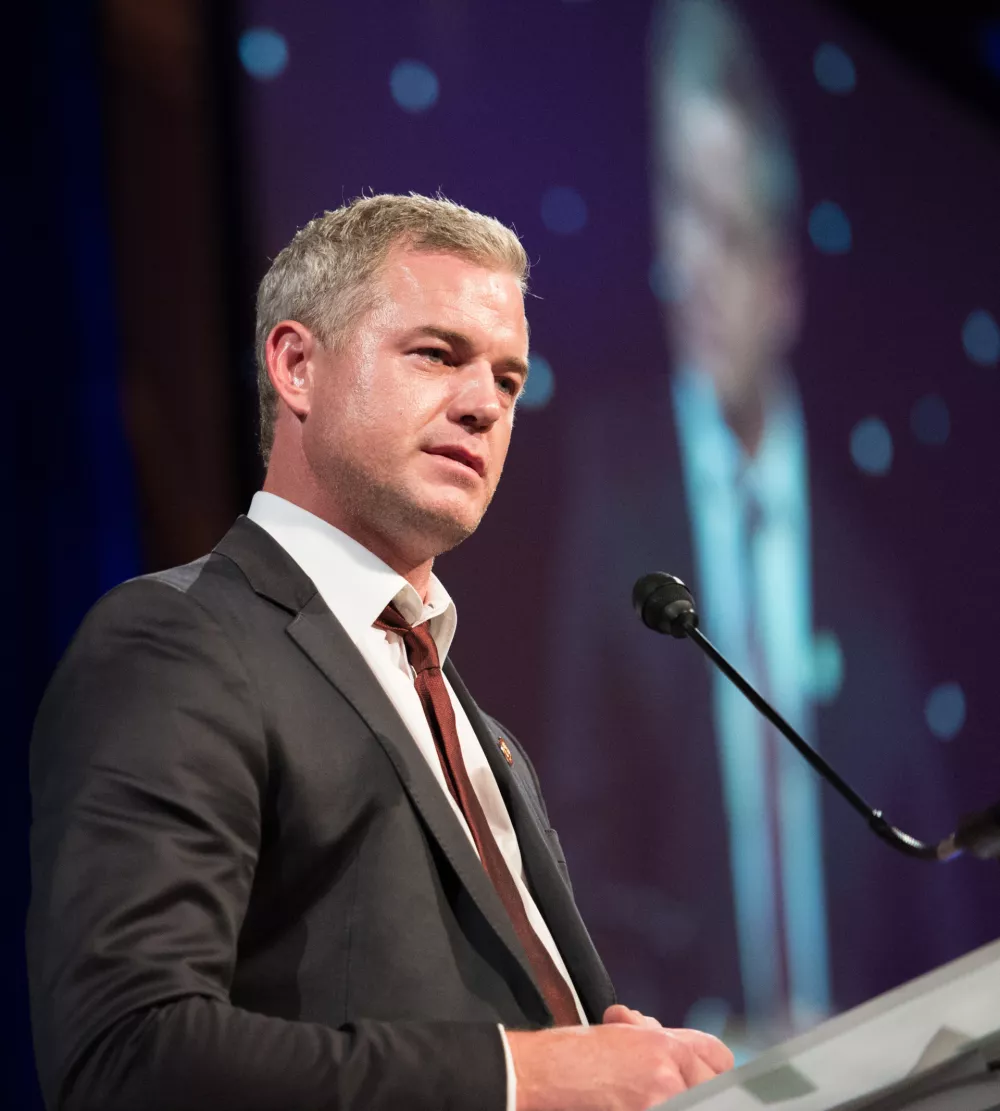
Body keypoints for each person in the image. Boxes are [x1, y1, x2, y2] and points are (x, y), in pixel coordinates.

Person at [27, 194, 734, 1111]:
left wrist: (614, 1056)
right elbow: (126, 1054)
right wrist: (527, 1073)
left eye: (510, 380)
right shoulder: (178, 643)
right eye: (438, 354)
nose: (484, 404)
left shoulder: (483, 730)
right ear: (296, 366)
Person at [545, 0, 957, 1050]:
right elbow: (564, 839)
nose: (690, 266)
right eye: (677, 210)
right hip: (688, 1065)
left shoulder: (865, 555)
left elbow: (927, 869)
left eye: (723, 231)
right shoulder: (601, 481)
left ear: (782, 282)